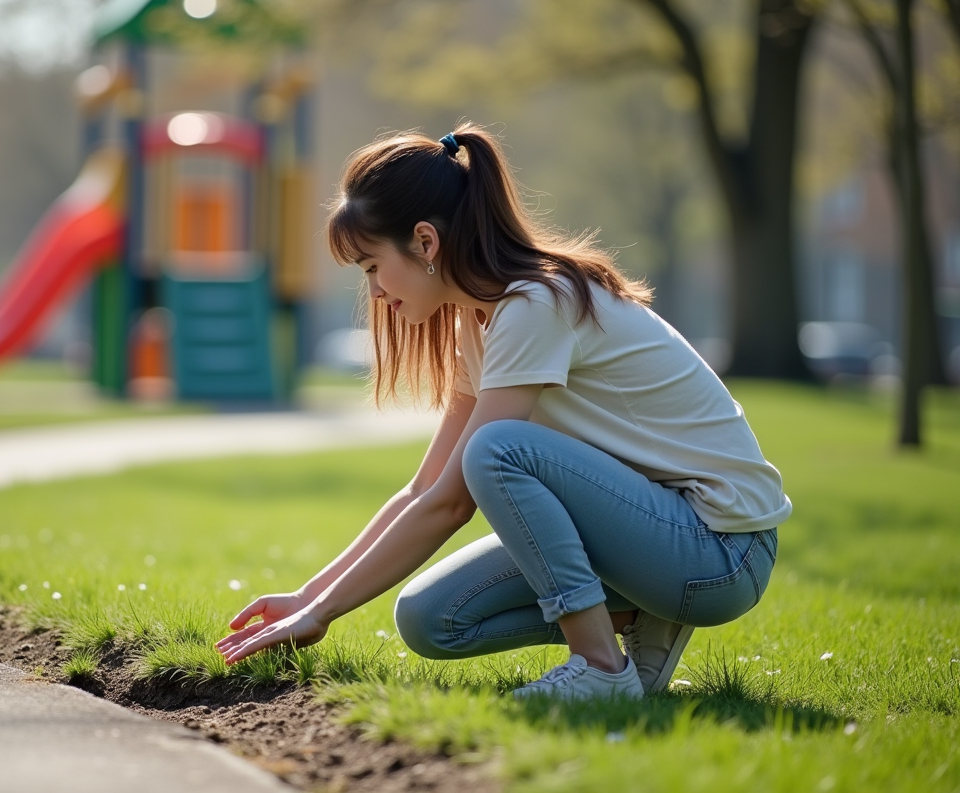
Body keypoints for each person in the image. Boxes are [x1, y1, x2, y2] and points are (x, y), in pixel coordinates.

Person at [215, 125, 790, 701]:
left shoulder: (536, 305)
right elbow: (425, 489)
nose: (375, 293)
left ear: (425, 242)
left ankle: (600, 667)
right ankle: (643, 621)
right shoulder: (476, 322)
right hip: (650, 532)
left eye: (370, 266)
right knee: (429, 617)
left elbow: (454, 501)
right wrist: (308, 597)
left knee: (496, 448)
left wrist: (321, 614)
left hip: (720, 551)